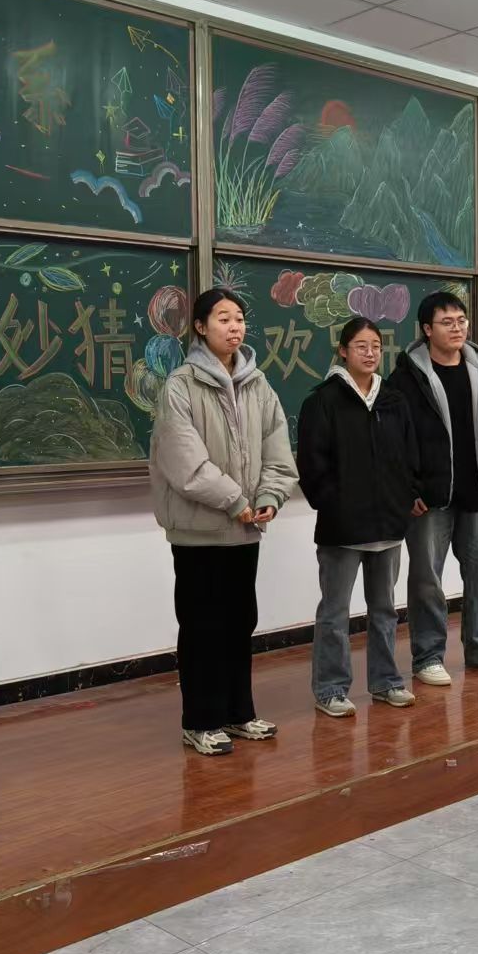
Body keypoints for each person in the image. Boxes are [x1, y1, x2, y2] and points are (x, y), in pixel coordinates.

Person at [150, 288, 299, 757]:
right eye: (223, 319)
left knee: (239, 622)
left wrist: (270, 496)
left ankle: (238, 712)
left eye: (239, 318)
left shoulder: (258, 384)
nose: (234, 327)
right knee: (201, 626)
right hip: (199, 530)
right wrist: (236, 500)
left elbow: (278, 448)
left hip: (245, 528)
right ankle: (200, 721)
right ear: (200, 327)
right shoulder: (181, 385)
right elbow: (185, 462)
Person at [388, 292, 478, 684]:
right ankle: (428, 657)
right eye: (447, 322)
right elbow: (395, 441)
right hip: (430, 497)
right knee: (426, 579)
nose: (457, 328)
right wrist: (407, 489)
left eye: (461, 320)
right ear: (427, 329)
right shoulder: (407, 378)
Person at [298, 317, 422, 717]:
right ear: (343, 351)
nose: (370, 354)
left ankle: (386, 681)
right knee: (335, 613)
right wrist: (334, 504)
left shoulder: (394, 400)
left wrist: (405, 497)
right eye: (361, 346)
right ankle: (330, 688)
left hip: (388, 525)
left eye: (376, 347)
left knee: (384, 610)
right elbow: (312, 466)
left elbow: (410, 456)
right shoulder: (322, 401)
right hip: (343, 528)